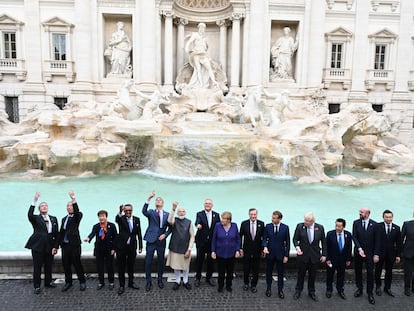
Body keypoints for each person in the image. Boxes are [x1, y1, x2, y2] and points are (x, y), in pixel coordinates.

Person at [25, 192, 59, 294]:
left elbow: (56, 234)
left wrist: (56, 246)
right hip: (38, 246)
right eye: (42, 206)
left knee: (49, 266)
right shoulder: (35, 218)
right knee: (37, 267)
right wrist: (34, 201)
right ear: (39, 209)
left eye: (45, 205)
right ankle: (37, 286)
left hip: (50, 246)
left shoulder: (53, 218)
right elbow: (29, 214)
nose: (44, 207)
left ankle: (48, 282)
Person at [292, 212, 326, 301]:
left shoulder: (320, 228)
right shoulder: (300, 226)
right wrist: (297, 247)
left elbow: (324, 242)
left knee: (313, 275)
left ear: (313, 221)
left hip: (315, 256)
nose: (305, 222)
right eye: (305, 220)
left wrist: (324, 255)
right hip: (303, 255)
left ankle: (311, 292)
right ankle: (298, 290)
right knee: (301, 274)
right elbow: (295, 239)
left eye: (308, 221)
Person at [142, 191, 171, 291]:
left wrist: (165, 235)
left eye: (160, 200)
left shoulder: (167, 214)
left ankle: (160, 280)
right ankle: (148, 281)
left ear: (163, 203)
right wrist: (148, 198)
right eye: (156, 200)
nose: (158, 201)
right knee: (148, 261)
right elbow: (143, 211)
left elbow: (171, 228)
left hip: (161, 241)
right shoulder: (151, 212)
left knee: (160, 261)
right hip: (151, 240)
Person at [58, 191, 86, 292]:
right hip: (65, 245)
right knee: (66, 265)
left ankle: (82, 281)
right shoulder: (63, 219)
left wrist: (73, 198)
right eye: (67, 206)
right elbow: (61, 232)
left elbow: (77, 211)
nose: (68, 207)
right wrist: (56, 246)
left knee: (77, 263)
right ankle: (68, 282)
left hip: (74, 245)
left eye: (70, 205)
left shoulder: (77, 216)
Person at [85, 210, 117, 290]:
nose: (101, 218)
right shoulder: (96, 226)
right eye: (100, 216)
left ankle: (111, 282)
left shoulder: (112, 226)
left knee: (110, 266)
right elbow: (92, 234)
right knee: (100, 267)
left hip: (109, 249)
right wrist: (88, 238)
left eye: (103, 216)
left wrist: (114, 248)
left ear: (106, 217)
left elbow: (116, 238)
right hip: (99, 249)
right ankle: (101, 282)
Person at [166, 202, 195, 290]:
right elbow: (169, 220)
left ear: (185, 213)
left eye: (183, 211)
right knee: (176, 266)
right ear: (177, 213)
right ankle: (177, 281)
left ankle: (185, 281)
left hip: (185, 248)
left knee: (185, 266)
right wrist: (173, 209)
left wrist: (189, 249)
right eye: (180, 211)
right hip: (175, 247)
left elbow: (192, 236)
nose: (181, 213)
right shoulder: (174, 220)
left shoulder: (189, 222)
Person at [373, 209, 402, 297]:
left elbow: (399, 243)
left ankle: (387, 288)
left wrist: (398, 255)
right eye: (387, 217)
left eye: (390, 217)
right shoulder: (377, 226)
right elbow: (374, 241)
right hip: (380, 253)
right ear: (383, 217)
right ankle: (378, 287)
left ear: (392, 217)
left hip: (391, 254)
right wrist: (375, 254)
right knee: (378, 271)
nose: (389, 219)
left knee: (389, 271)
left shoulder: (396, 228)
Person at [115, 203, 143, 295]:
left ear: (132, 210)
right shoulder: (121, 219)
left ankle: (131, 283)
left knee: (131, 266)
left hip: (132, 247)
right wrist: (119, 211)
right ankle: (121, 285)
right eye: (126, 210)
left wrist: (140, 246)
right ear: (124, 211)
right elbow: (117, 219)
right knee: (121, 267)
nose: (128, 212)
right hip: (121, 247)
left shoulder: (137, 219)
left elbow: (139, 233)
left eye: (129, 210)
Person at [262, 210, 290, 299]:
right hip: (270, 254)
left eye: (274, 218)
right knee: (268, 272)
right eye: (272, 217)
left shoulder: (285, 228)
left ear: (279, 219)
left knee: (281, 273)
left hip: (280, 254)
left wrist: (286, 255)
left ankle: (280, 290)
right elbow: (264, 239)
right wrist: (265, 247)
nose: (272, 219)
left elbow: (288, 243)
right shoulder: (268, 226)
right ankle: (268, 288)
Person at [211, 211, 241, 292]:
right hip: (220, 252)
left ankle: (229, 285)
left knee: (230, 271)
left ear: (228, 220)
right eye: (222, 218)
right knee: (221, 271)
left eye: (224, 219)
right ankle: (220, 286)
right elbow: (214, 239)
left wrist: (237, 250)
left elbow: (238, 239)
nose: (222, 220)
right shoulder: (217, 226)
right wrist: (213, 251)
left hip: (231, 253)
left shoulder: (234, 226)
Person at [352, 207, 377, 304]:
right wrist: (359, 248)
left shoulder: (375, 225)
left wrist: (376, 254)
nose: (360, 213)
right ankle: (359, 289)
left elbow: (377, 240)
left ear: (367, 214)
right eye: (360, 211)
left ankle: (370, 293)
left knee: (370, 273)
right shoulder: (356, 223)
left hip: (370, 253)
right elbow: (354, 236)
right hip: (359, 252)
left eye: (361, 212)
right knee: (358, 271)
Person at [194, 198, 220, 287]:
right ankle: (198, 278)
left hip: (212, 242)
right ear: (204, 205)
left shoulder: (216, 215)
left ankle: (209, 277)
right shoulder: (199, 214)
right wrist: (198, 225)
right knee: (199, 260)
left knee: (211, 261)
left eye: (209, 203)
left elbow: (218, 227)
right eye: (206, 203)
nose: (207, 205)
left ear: (212, 205)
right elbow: (197, 222)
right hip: (201, 241)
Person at [184, 23, 218, 89]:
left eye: (203, 28)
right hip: (196, 54)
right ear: (199, 28)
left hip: (203, 54)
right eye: (201, 28)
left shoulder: (205, 39)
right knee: (198, 69)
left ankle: (214, 81)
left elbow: (207, 49)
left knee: (209, 68)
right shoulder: (195, 35)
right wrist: (186, 48)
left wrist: (209, 56)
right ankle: (201, 85)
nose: (202, 29)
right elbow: (189, 42)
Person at [325, 218, 352, 300]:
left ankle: (340, 290)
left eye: (339, 226)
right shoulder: (330, 234)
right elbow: (326, 247)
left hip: (342, 260)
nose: (337, 228)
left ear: (343, 226)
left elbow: (349, 248)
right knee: (330, 275)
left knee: (341, 275)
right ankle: (329, 290)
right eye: (336, 225)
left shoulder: (348, 234)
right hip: (332, 259)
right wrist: (328, 259)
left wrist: (348, 259)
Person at [239, 208, 265, 293]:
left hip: (257, 251)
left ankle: (254, 285)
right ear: (249, 214)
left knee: (256, 269)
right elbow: (240, 237)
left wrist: (263, 249)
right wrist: (240, 248)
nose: (253, 216)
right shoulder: (244, 224)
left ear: (257, 215)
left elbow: (263, 238)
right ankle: (246, 283)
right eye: (251, 214)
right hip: (246, 250)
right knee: (246, 268)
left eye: (254, 214)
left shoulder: (261, 224)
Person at [402, 212, 414, 296]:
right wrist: (401, 251)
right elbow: (401, 238)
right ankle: (407, 288)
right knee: (408, 272)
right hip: (409, 252)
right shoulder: (407, 224)